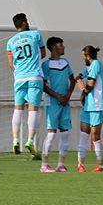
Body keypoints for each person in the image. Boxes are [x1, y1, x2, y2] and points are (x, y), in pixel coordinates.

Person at [6, 13, 45, 159]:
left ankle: (15, 140)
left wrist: (20, 69)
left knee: (18, 109)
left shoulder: (11, 41)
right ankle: (29, 141)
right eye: (26, 21)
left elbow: (11, 64)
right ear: (23, 22)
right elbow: (43, 53)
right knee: (33, 109)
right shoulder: (35, 34)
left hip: (19, 78)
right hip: (34, 76)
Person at [40, 37, 76, 173]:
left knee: (65, 133)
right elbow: (43, 85)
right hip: (52, 103)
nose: (63, 47)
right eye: (61, 44)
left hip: (65, 102)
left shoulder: (65, 62)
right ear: (54, 47)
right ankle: (44, 165)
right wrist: (58, 96)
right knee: (51, 134)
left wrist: (67, 96)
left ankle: (61, 164)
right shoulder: (46, 65)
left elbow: (72, 80)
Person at [75, 45, 103, 172]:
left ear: (87, 56)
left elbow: (90, 84)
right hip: (87, 106)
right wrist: (78, 79)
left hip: (97, 105)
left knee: (95, 136)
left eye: (83, 56)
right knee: (83, 134)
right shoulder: (88, 67)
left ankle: (100, 165)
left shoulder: (96, 64)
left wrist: (82, 89)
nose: (83, 58)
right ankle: (80, 165)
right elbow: (79, 77)